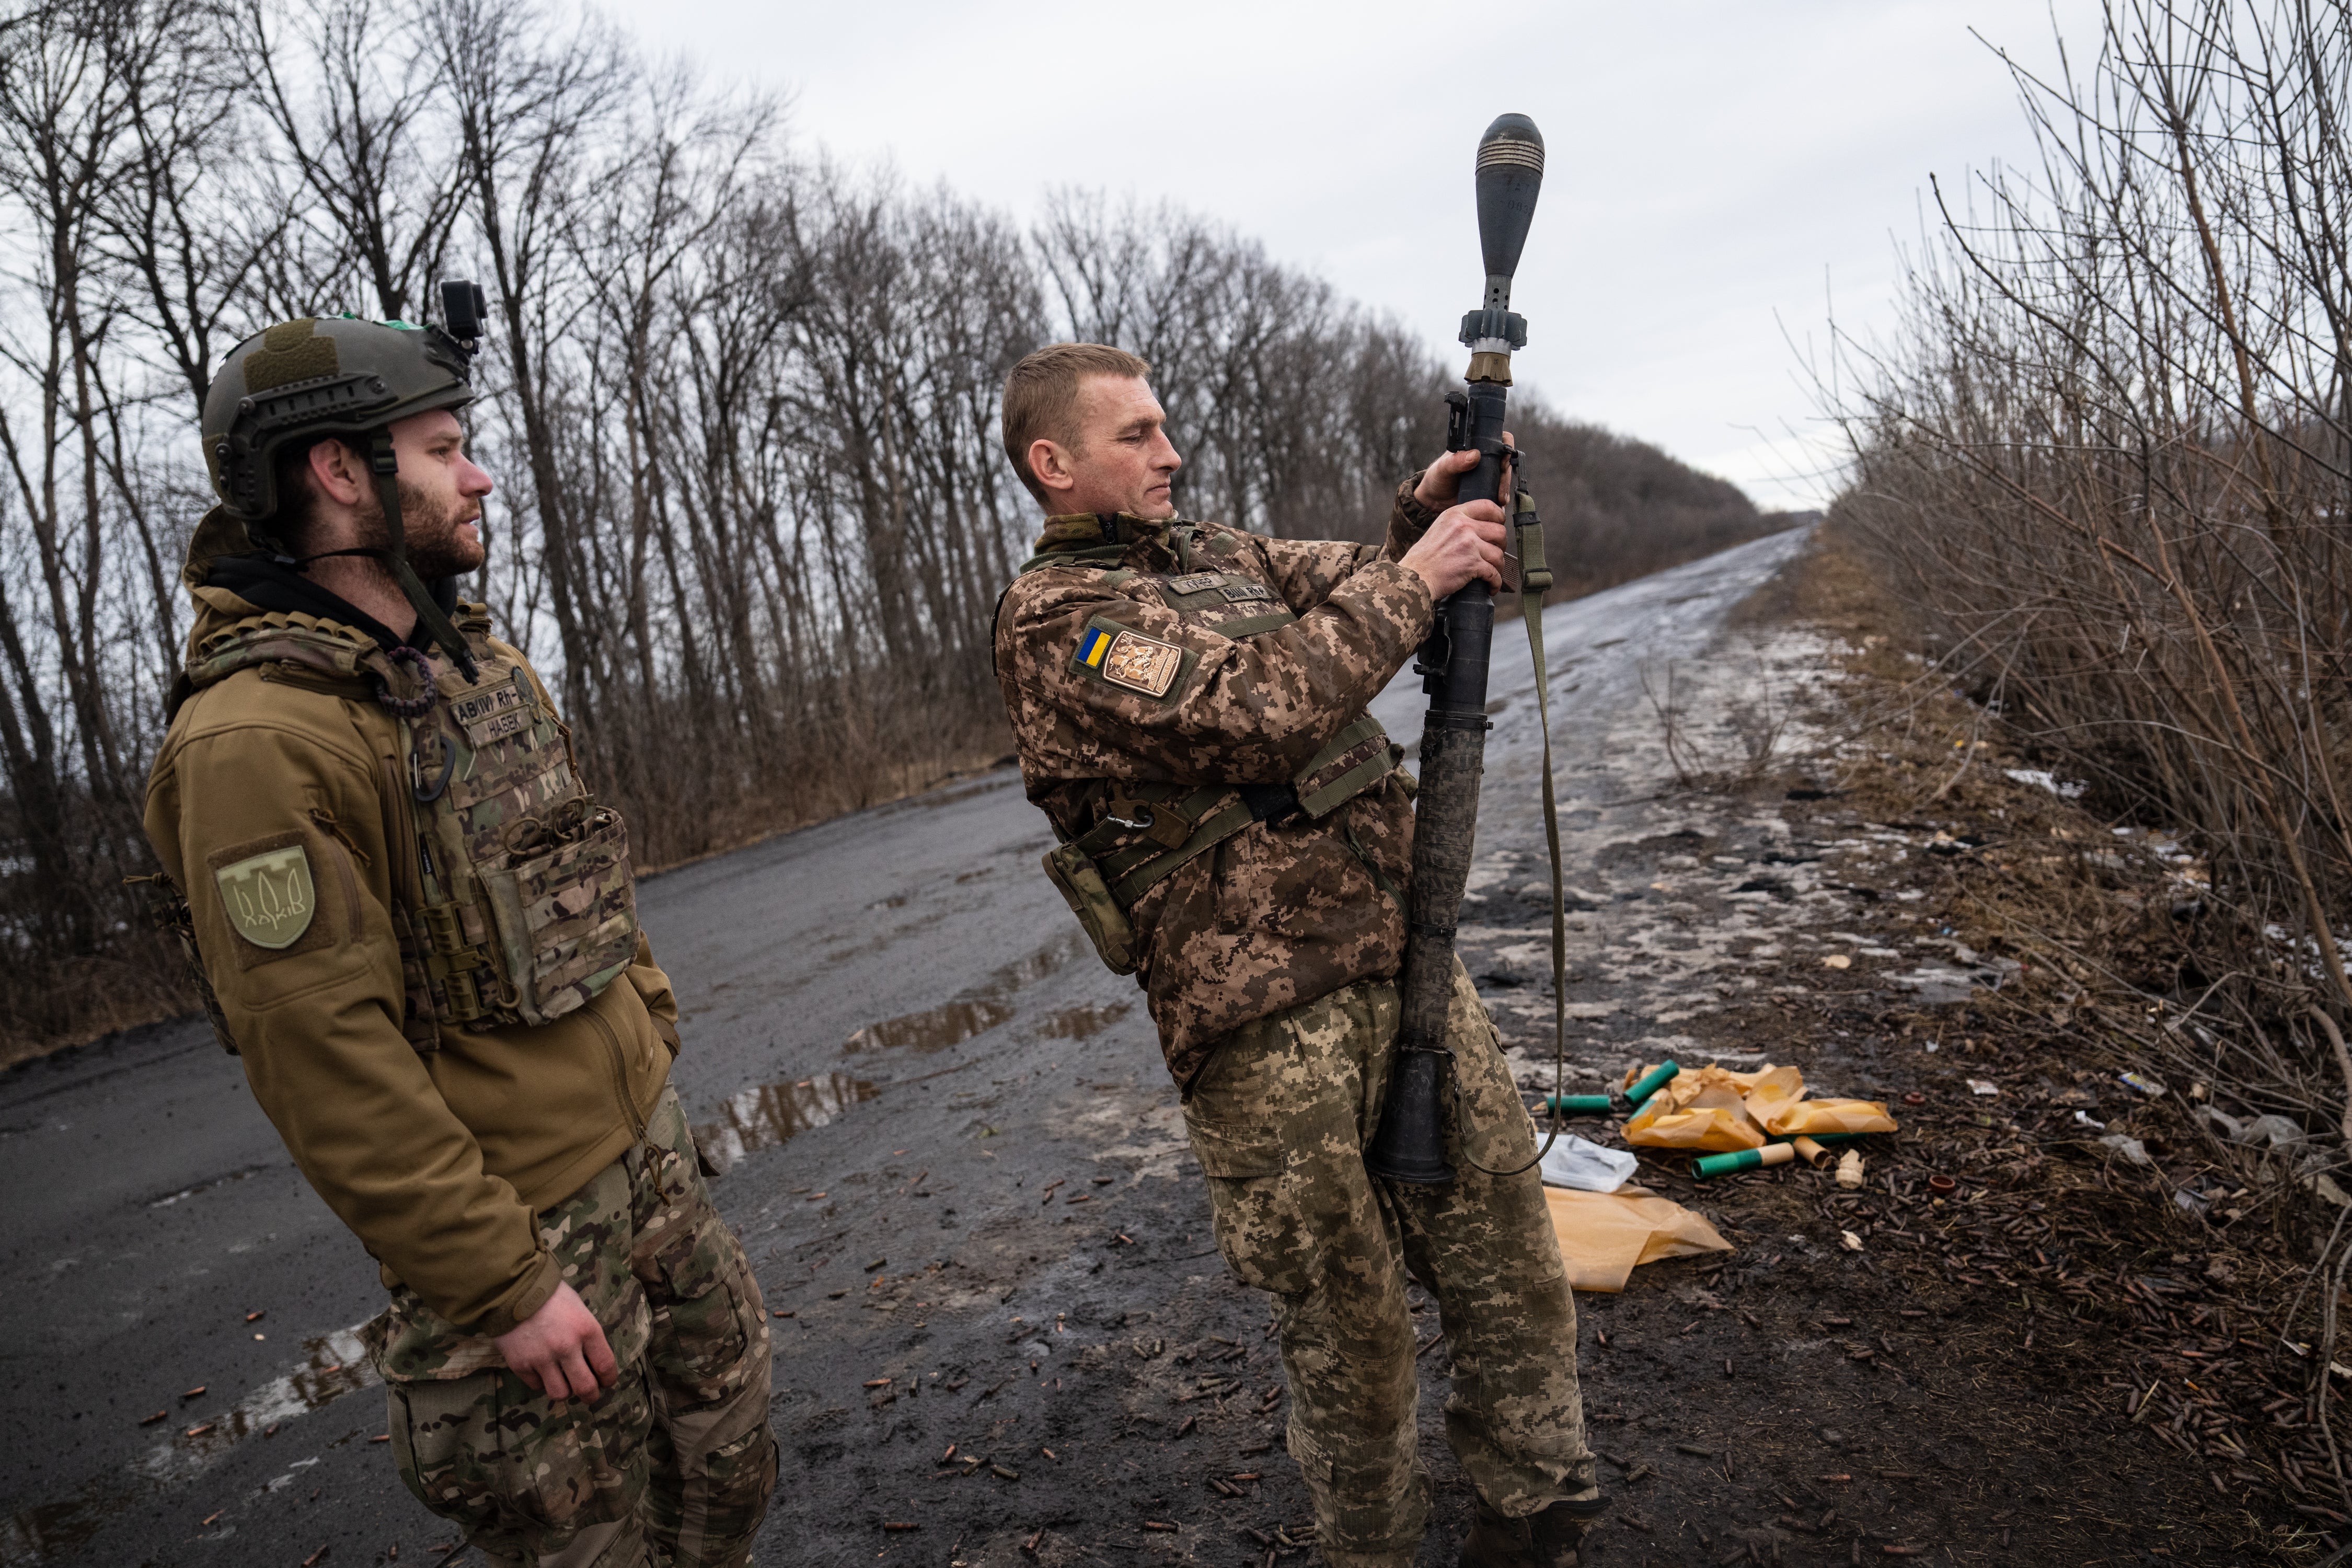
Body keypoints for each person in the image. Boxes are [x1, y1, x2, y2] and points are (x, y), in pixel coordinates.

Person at [142, 309, 776, 1568]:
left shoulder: (476, 666)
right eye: (445, 448)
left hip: (649, 1176)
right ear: (338, 472)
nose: (479, 473)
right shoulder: (257, 742)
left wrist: (648, 1044)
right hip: (524, 1236)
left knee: (726, 1487)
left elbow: (589, 876)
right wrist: (505, 1286)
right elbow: (325, 1059)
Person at [991, 343, 1601, 1568]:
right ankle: (1370, 1550)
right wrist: (1412, 578)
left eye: (1166, 429)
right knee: (1352, 1331)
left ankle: (1539, 1517)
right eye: (1137, 437)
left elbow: (1373, 585)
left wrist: (1434, 514)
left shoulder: (1224, 555)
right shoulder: (1057, 623)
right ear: (1054, 466)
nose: (1170, 454)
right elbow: (1245, 708)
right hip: (1263, 1023)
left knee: (1509, 1260)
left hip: (1402, 961)